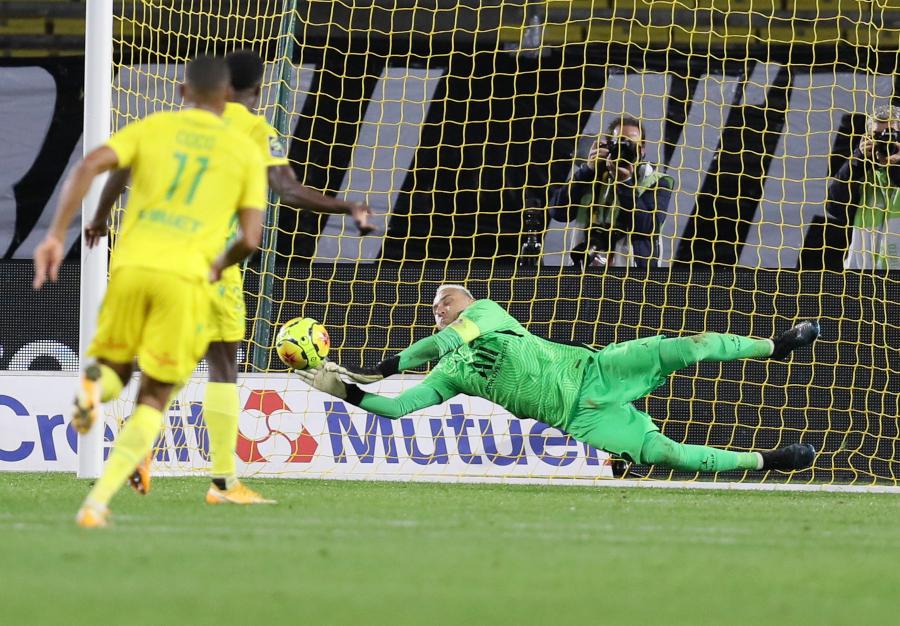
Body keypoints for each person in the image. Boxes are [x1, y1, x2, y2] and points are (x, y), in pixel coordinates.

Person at [93, 50, 373, 503]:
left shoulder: (187, 124)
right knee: (222, 366)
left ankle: (139, 440)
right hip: (217, 266)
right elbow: (288, 191)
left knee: (176, 360)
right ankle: (222, 480)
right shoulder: (255, 129)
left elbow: (128, 167)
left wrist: (102, 219)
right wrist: (347, 207)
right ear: (259, 90)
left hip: (166, 259)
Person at [32, 55, 268, 527]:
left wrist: (59, 233)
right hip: (185, 277)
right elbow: (251, 238)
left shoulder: (153, 127)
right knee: (157, 393)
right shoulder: (244, 148)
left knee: (115, 368)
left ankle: (93, 390)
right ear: (228, 99)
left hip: (132, 265)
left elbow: (93, 166)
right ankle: (96, 504)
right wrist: (218, 265)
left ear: (182, 93)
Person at [295, 285, 819, 476]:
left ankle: (776, 344)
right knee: (667, 455)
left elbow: (440, 343)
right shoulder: (452, 375)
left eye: (449, 301)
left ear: (469, 302)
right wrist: (349, 391)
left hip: (596, 367)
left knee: (690, 347)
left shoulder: (488, 315)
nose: (442, 310)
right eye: (436, 308)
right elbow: (398, 409)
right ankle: (768, 461)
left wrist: (380, 368)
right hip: (581, 416)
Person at [548, 115, 673, 269]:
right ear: (608, 146)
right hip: (586, 266)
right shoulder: (593, 175)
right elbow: (558, 212)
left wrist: (624, 183)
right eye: (619, 143)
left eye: (630, 144)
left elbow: (647, 227)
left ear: (642, 150)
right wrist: (587, 171)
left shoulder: (657, 181)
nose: (624, 149)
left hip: (633, 276)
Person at [825, 104, 900, 269]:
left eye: (892, 135)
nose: (885, 141)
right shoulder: (863, 174)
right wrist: (857, 160)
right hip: (861, 275)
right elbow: (834, 207)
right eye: (878, 136)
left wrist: (894, 165)